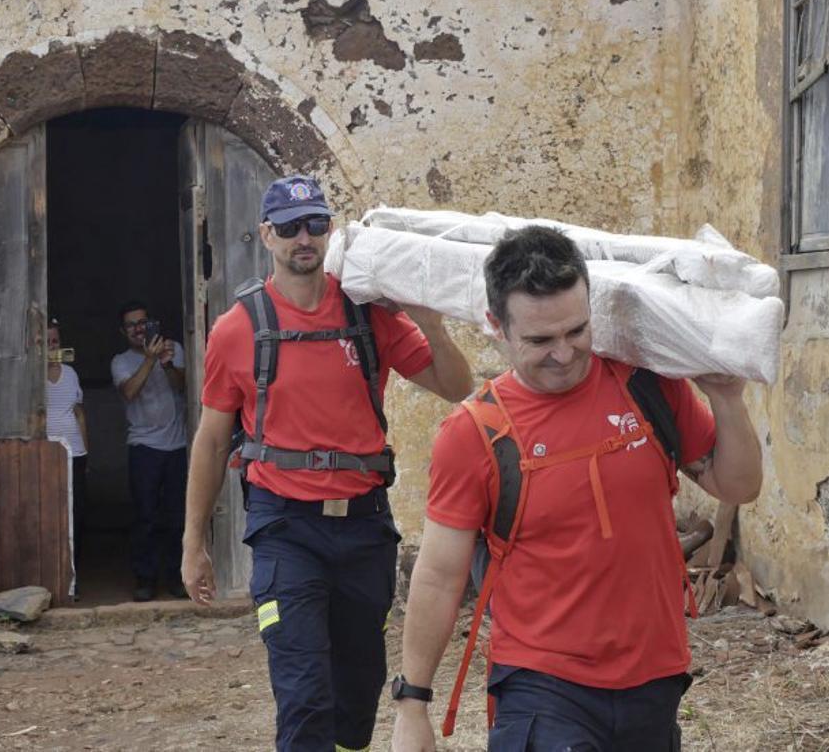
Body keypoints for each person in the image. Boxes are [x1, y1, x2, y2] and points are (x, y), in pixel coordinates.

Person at [392, 225, 763, 752]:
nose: (564, 354)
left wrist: (727, 400)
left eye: (577, 331)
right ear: (496, 326)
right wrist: (412, 705)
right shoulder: (475, 434)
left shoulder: (645, 386)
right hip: (542, 685)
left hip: (655, 676)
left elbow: (738, 485)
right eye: (540, 340)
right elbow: (438, 575)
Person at [181, 175, 473, 752]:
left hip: (364, 524)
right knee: (304, 693)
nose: (303, 237)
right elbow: (212, 442)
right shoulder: (237, 329)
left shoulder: (368, 315)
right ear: (267, 235)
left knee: (356, 694)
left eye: (314, 224)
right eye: (289, 227)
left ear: (329, 230)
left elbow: (456, 386)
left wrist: (432, 323)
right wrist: (194, 543)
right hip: (284, 528)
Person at [111, 300, 188, 602]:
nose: (138, 329)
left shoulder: (175, 349)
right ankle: (145, 578)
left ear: (153, 323)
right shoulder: (120, 361)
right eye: (131, 325)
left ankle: (177, 577)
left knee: (177, 516)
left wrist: (166, 362)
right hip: (143, 446)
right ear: (123, 331)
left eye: (142, 323)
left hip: (177, 445)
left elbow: (184, 386)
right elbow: (129, 392)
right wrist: (149, 359)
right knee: (146, 517)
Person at [46, 319, 89, 600]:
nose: (52, 347)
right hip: (46, 456)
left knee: (76, 516)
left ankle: (74, 578)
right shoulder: (30, 375)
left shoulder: (71, 374)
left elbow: (79, 413)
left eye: (56, 342)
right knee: (51, 517)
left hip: (75, 453)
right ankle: (53, 577)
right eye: (48, 342)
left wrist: (86, 449)